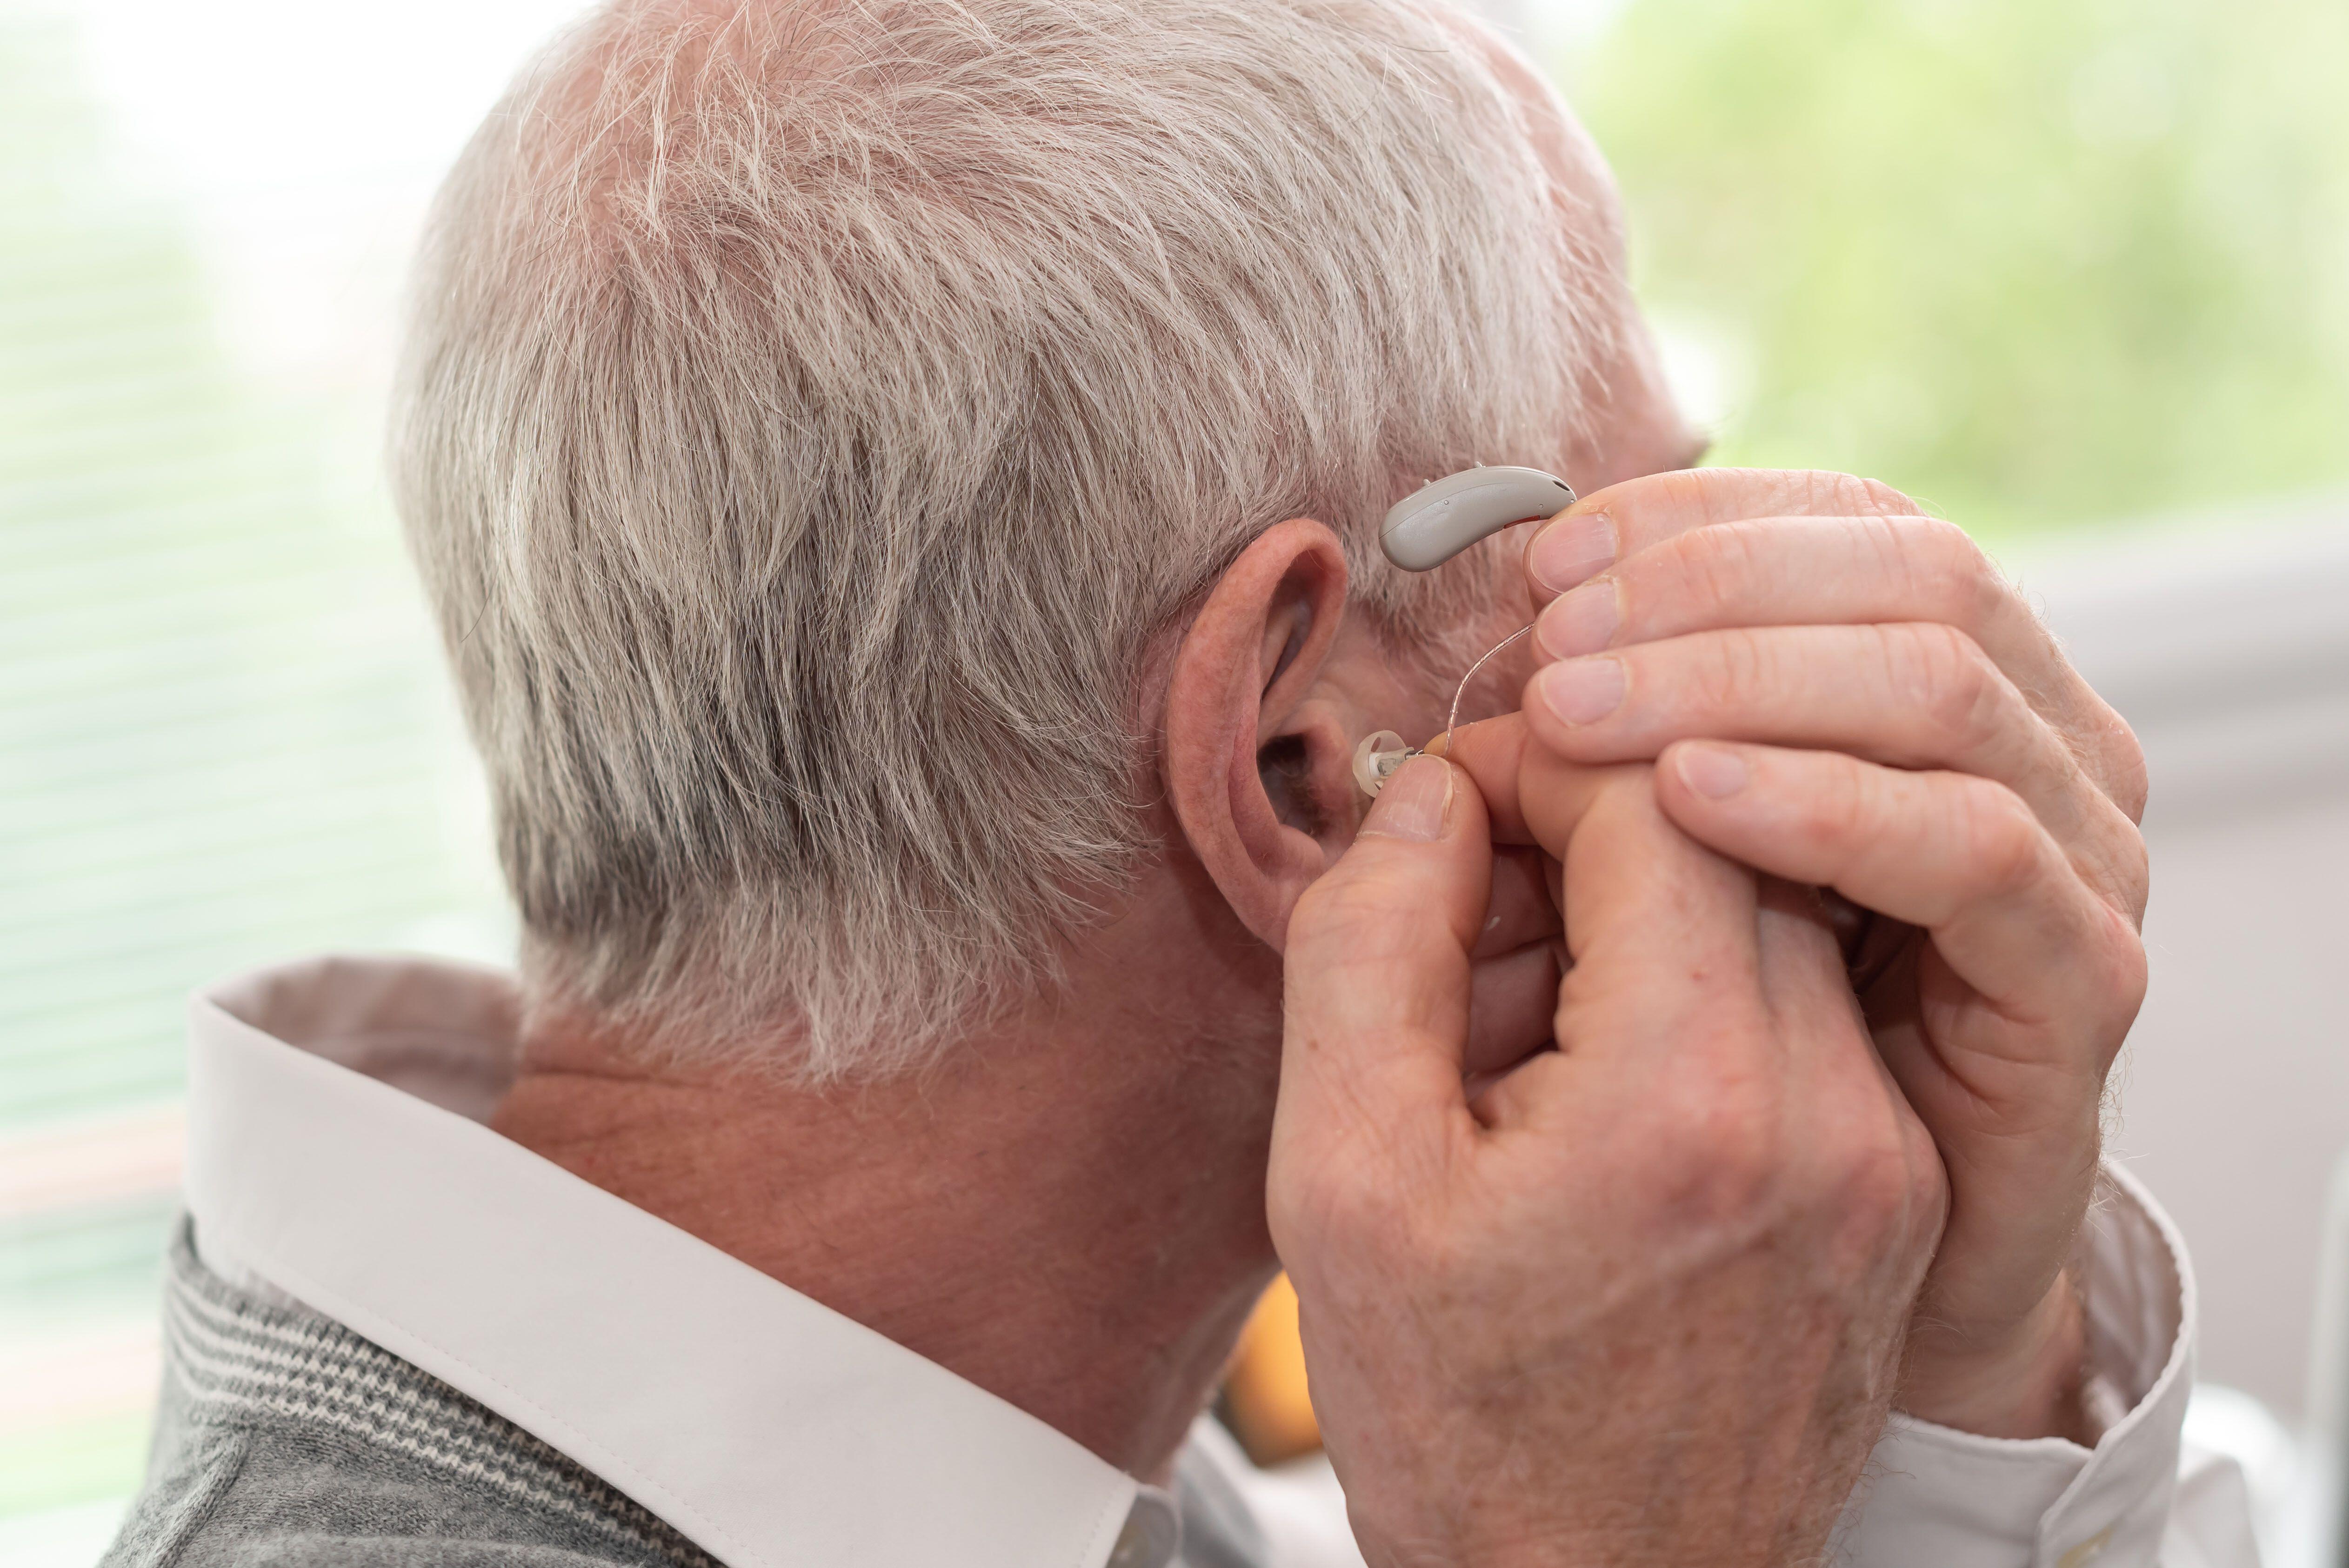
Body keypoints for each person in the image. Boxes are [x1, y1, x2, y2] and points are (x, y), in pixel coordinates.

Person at [103, 0, 2256, 1564]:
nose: (1765, 720)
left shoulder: (973, 1448)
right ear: (1313, 763)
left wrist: (1953, 1382)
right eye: (1654, 549)